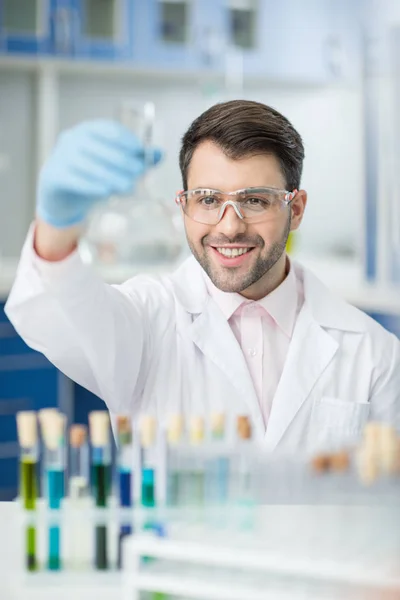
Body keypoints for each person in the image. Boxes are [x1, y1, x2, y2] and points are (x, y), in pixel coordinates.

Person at [5, 100, 400, 451]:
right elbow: (57, 318)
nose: (229, 227)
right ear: (183, 206)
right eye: (208, 200)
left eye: (255, 200)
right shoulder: (147, 321)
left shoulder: (374, 354)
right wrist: (55, 227)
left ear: (295, 210)